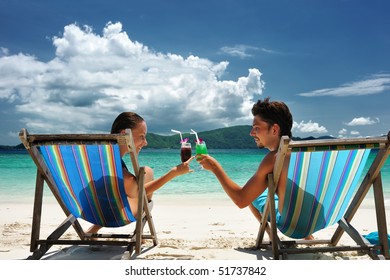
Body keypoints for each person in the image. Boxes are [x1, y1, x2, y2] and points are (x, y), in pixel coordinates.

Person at [196, 97, 313, 239]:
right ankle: (309, 236)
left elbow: (241, 200)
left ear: (275, 129)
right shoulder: (311, 155)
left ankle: (271, 235)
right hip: (320, 219)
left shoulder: (274, 158)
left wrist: (215, 167)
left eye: (256, 128)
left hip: (292, 225)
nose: (251, 133)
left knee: (252, 195)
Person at [87, 112, 194, 234]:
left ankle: (94, 228)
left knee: (146, 171)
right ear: (124, 135)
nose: (146, 142)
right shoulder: (113, 164)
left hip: (92, 211)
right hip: (114, 215)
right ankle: (139, 232)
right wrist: (173, 173)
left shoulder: (102, 156)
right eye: (142, 136)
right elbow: (138, 193)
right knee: (146, 199)